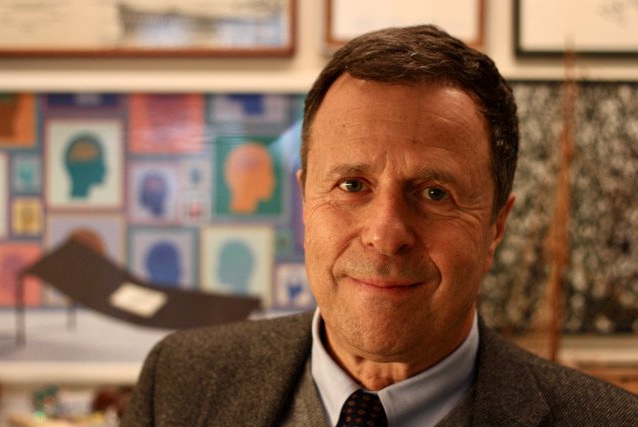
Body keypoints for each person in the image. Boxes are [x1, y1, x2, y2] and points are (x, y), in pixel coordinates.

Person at [121, 25, 638, 426]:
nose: (386, 234)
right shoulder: (180, 384)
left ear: (495, 227)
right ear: (305, 202)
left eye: (434, 193)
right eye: (352, 185)